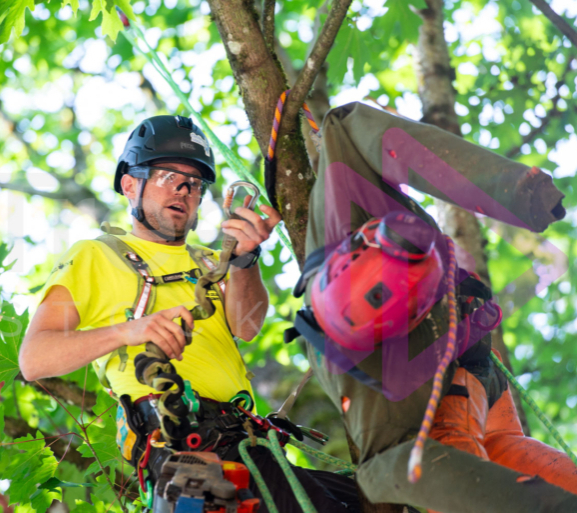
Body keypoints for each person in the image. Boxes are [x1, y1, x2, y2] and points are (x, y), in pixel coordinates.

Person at [19, 115, 360, 513]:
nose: (183, 189)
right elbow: (34, 358)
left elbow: (247, 327)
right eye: (167, 176)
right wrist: (130, 331)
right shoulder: (94, 256)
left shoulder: (214, 262)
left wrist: (245, 258)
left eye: (194, 184)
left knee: (373, 500)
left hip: (250, 445)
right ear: (130, 184)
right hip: (184, 445)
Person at [293, 102, 577, 513]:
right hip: (458, 392)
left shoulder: (346, 194)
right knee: (465, 451)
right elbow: (394, 469)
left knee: (462, 450)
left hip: (467, 372)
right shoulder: (375, 404)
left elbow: (356, 131)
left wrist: (517, 190)